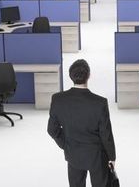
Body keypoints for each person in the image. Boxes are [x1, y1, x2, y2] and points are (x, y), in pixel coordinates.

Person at [48, 59, 116, 187]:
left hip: (73, 153)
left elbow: (52, 129)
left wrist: (66, 144)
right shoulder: (100, 103)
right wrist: (112, 157)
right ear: (89, 76)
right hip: (97, 156)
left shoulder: (58, 99)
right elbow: (106, 134)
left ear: (70, 76)